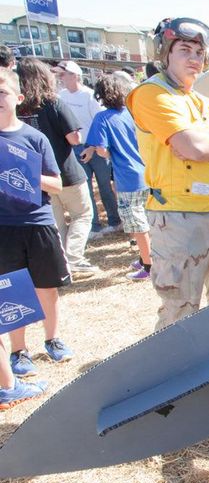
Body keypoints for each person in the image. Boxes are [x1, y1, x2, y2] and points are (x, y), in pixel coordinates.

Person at [127, 17, 209, 330]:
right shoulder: (152, 95)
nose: (194, 58)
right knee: (180, 308)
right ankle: (171, 372)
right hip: (179, 219)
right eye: (184, 49)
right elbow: (195, 150)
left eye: (199, 51)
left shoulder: (205, 104)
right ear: (165, 53)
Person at [0, 67, 72, 376]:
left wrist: (21, 173)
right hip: (5, 227)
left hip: (39, 222)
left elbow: (56, 184)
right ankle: (19, 350)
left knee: (47, 286)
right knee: (13, 290)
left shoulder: (35, 138)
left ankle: (52, 339)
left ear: (17, 97)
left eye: (2, 92)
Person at [15, 58, 97, 279]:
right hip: (66, 171)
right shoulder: (54, 103)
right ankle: (74, 259)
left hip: (36, 176)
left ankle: (62, 261)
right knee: (82, 215)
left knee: (56, 222)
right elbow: (73, 138)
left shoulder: (16, 108)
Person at [81, 74, 152, 280]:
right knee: (147, 219)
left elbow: (103, 149)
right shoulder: (132, 114)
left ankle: (149, 266)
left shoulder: (102, 118)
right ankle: (144, 257)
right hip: (146, 173)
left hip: (127, 178)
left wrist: (102, 151)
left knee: (137, 225)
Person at [53, 60, 122, 235]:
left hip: (96, 146)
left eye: (63, 74)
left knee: (105, 185)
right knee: (86, 189)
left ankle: (114, 220)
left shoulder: (89, 96)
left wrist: (92, 146)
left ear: (75, 75)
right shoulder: (60, 96)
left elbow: (100, 124)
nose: (60, 78)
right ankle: (94, 225)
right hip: (74, 147)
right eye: (59, 75)